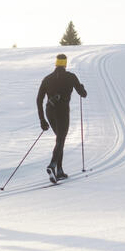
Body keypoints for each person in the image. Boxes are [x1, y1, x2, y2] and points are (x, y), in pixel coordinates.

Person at [36, 53, 87, 183]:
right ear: (65, 64)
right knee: (60, 139)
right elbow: (83, 94)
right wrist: (81, 88)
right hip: (62, 112)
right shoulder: (71, 77)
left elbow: (39, 100)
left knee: (60, 139)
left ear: (56, 63)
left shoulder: (47, 79)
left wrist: (42, 119)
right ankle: (53, 165)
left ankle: (59, 171)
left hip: (49, 111)